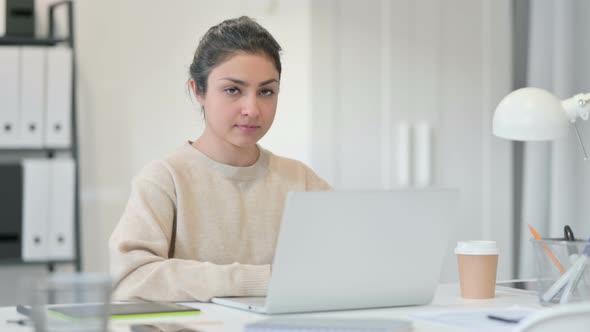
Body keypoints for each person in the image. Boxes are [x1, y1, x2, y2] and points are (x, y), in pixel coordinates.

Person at [109, 16, 331, 302]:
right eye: (233, 90)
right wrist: (261, 280)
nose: (252, 109)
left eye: (266, 91)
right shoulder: (165, 178)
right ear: (198, 91)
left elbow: (350, 262)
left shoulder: (301, 181)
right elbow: (129, 278)